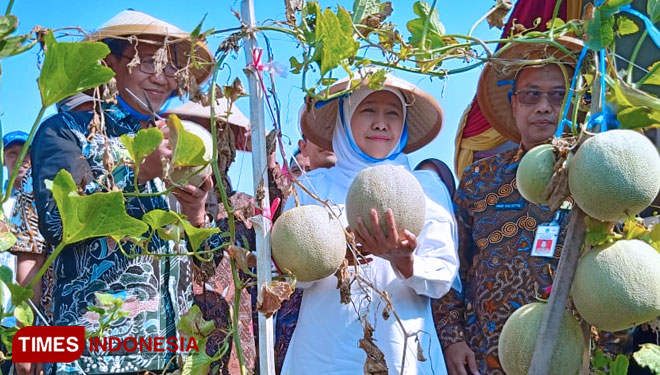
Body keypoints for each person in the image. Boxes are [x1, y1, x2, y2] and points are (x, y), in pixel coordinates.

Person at [30, 10, 217, 375]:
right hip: (96, 359)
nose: (162, 77)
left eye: (170, 66)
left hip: (169, 354)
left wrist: (196, 217)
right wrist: (134, 172)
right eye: (149, 62)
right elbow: (56, 222)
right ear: (108, 63)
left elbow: (206, 265)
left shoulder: (179, 141)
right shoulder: (65, 132)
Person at [433, 37, 630, 375]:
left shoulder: (600, 181)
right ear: (514, 104)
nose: (544, 106)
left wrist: (603, 361)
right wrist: (452, 338)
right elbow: (448, 267)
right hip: (483, 360)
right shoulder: (480, 178)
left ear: (574, 104)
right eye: (531, 95)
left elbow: (617, 277)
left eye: (557, 95)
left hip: (571, 361)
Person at [280, 72, 458, 375]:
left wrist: (406, 263)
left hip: (403, 352)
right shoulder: (310, 188)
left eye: (392, 113)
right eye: (368, 110)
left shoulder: (425, 187)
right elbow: (289, 276)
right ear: (344, 119)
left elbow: (443, 276)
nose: (381, 123)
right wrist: (333, 259)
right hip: (322, 355)